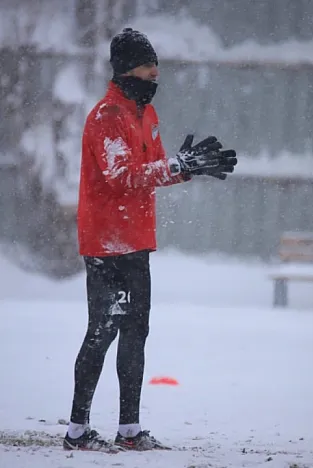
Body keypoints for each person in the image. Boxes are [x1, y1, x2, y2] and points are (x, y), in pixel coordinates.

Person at [64, 28, 237, 452]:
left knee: (136, 332)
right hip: (106, 243)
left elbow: (152, 172)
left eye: (155, 65)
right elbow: (121, 177)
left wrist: (187, 167)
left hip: (137, 239)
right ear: (126, 69)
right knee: (102, 331)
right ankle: (77, 430)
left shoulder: (147, 114)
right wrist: (175, 165)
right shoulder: (106, 117)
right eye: (147, 65)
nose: (155, 72)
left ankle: (129, 429)